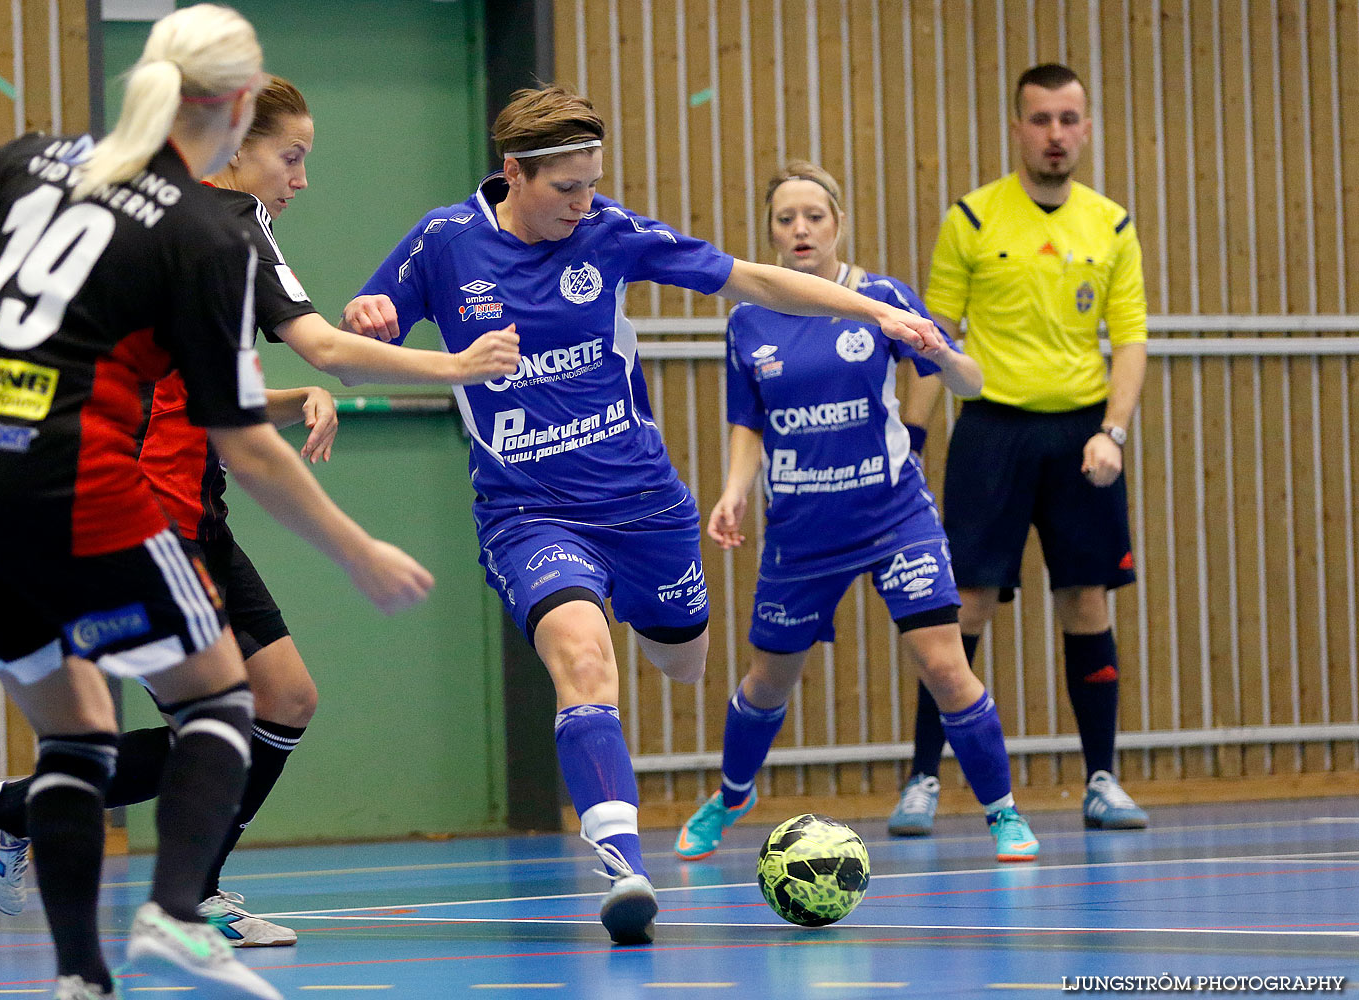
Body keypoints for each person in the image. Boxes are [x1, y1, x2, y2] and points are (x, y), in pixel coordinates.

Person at [0, 6, 435, 999]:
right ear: (241, 103)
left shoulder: (23, 160)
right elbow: (247, 446)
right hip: (65, 480)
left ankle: (81, 975)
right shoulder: (203, 229)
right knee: (224, 697)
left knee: (78, 724)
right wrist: (356, 549)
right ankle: (175, 913)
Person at [342, 85, 945, 945]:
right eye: (567, 188)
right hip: (528, 511)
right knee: (585, 664)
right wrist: (373, 321)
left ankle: (663, 645)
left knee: (685, 656)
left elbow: (751, 277)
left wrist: (879, 309)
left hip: (645, 505)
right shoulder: (445, 242)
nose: (584, 202)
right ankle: (624, 864)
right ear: (514, 172)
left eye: (594, 183)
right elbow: (357, 353)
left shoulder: (607, 232)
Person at [0, 76, 519, 951]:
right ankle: (37, 821)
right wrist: (458, 367)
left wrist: (290, 402)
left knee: (282, 699)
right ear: (236, 148)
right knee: (215, 728)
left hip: (193, 513)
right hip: (135, 520)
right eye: (290, 158)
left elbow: (198, 386)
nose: (300, 181)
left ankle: (175, 879)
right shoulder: (227, 221)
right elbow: (331, 347)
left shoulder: (177, 230)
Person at [670, 161, 1039, 866]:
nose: (801, 229)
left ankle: (1003, 813)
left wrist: (943, 353)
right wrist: (732, 489)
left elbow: (969, 381)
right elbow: (747, 423)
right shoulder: (749, 319)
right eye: (786, 218)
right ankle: (733, 792)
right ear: (771, 232)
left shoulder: (880, 299)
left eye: (814, 215)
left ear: (839, 222)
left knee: (944, 663)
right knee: (767, 680)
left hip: (895, 515)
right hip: (802, 529)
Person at [891, 62, 1149, 837]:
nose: (1056, 135)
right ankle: (922, 782)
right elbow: (934, 341)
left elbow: (1130, 340)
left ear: (1088, 127)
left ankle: (1101, 778)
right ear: (1017, 129)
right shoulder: (972, 220)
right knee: (959, 605)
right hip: (991, 434)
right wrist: (910, 442)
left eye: (1069, 119)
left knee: (1085, 602)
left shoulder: (1112, 225)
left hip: (1080, 438)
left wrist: (1113, 431)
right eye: (1041, 120)